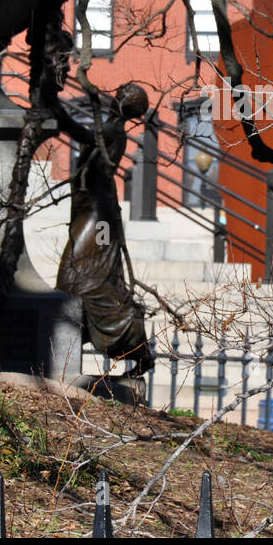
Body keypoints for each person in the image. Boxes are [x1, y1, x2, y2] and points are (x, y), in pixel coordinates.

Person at [56, 83, 154, 374]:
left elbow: (82, 135)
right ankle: (121, 344)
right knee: (83, 279)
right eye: (119, 93)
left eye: (124, 97)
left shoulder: (112, 131)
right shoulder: (110, 128)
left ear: (127, 108)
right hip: (92, 209)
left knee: (82, 279)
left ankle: (136, 347)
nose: (117, 98)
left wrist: (57, 111)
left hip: (98, 217)